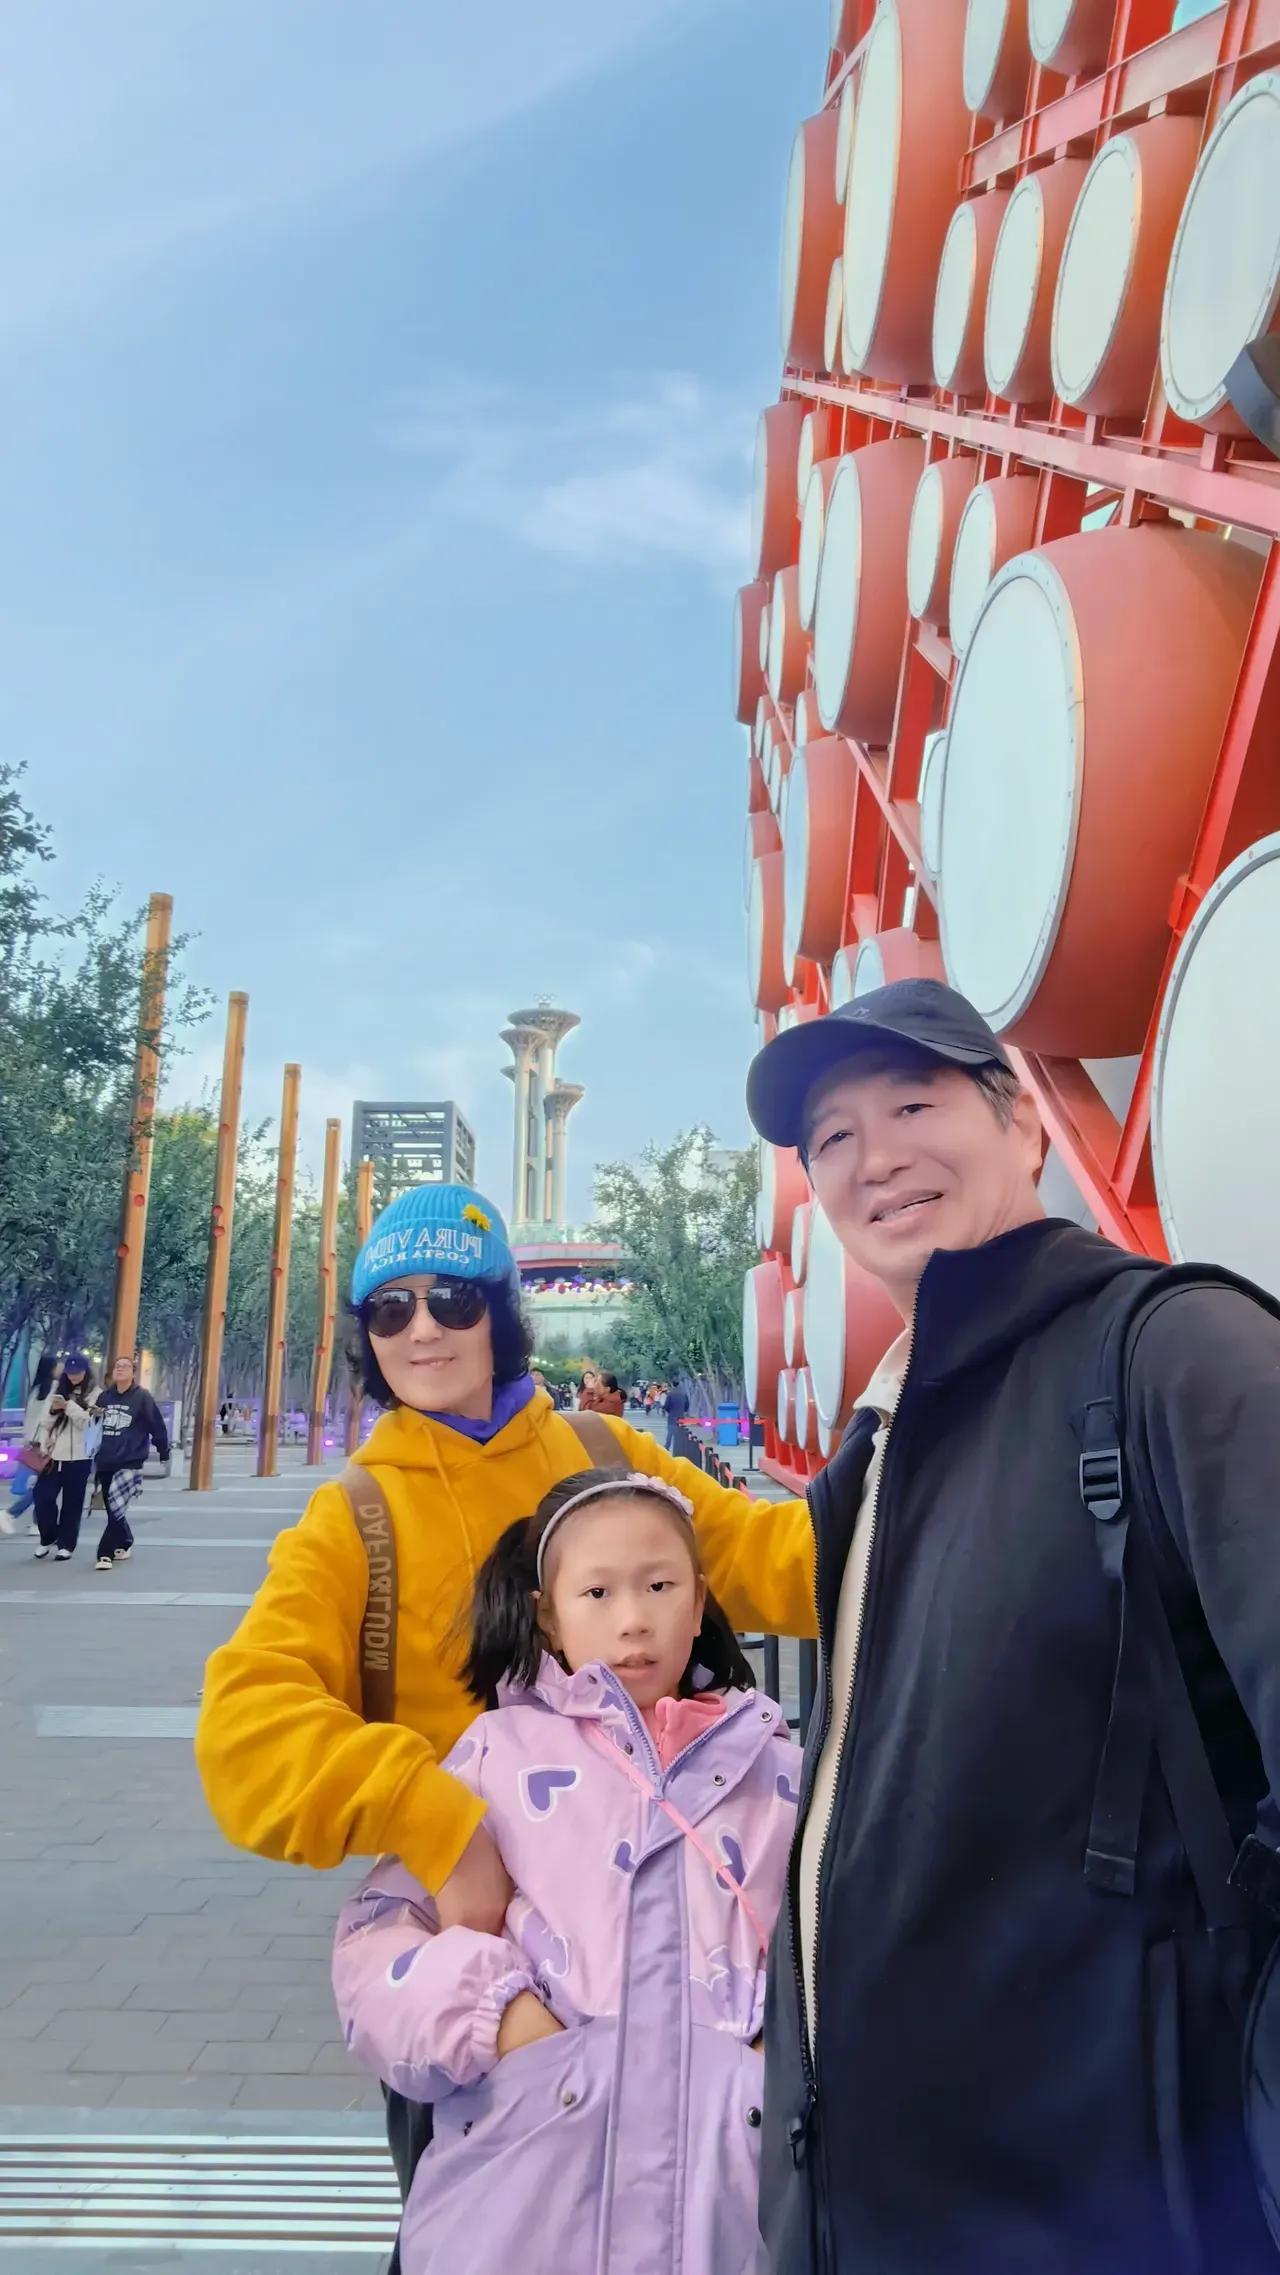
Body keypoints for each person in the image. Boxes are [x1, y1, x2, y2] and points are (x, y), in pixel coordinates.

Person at [744, 977, 1280, 2275]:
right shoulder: (878, 1446)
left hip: (1116, 2207)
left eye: (912, 1104)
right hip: (873, 2204)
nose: (874, 1158)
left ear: (1025, 1124)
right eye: (831, 1137)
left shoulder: (1172, 1351)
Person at [195, 1182, 814, 2245]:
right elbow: (245, 1729)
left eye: (452, 1298)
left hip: (683, 1971)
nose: (422, 1328)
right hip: (490, 1993)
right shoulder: (356, 1516)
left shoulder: (601, 1455)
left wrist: (939, 1500)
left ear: (500, 1311)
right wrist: (438, 1821)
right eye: (390, 1308)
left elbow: (772, 1559)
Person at [333, 1463, 798, 2275]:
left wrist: (775, 2052)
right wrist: (497, 2016)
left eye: (660, 1586)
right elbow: (376, 1943)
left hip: (731, 2213)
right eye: (598, 1592)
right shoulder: (493, 1757)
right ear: (547, 1615)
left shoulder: (778, 1769)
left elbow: (848, 1937)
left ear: (699, 1602)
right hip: (523, 2211)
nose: (634, 1619)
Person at [92, 1355, 170, 1572]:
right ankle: (125, 1540)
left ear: (133, 1373)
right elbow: (94, 1427)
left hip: (130, 1460)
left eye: (125, 1367)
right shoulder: (104, 1397)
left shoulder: (142, 1397)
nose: (120, 1369)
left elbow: (156, 1425)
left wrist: (163, 1450)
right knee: (112, 1507)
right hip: (106, 1459)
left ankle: (104, 1553)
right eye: (117, 1366)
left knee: (116, 1505)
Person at [32, 1356, 97, 1562]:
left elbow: (89, 1423)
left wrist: (69, 1406)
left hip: (79, 1458)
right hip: (52, 1457)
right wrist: (54, 1411)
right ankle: (48, 1537)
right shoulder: (56, 1390)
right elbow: (44, 1422)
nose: (74, 1377)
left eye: (78, 1373)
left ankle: (66, 1545)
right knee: (42, 1498)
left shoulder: (95, 1394)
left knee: (72, 1504)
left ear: (86, 1371)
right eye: (70, 1373)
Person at [0, 1351, 57, 1537]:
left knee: (42, 1486)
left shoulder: (36, 1390)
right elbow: (46, 1418)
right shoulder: (54, 1388)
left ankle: (35, 1523)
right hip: (46, 1444)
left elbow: (29, 1418)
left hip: (34, 1443)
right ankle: (11, 1513)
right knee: (44, 1486)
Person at [662, 1380, 689, 1451]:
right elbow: (687, 1405)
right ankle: (680, 1447)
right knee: (680, 1432)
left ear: (672, 1384)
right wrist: (683, 1411)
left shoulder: (670, 1394)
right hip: (681, 1416)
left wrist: (669, 1411)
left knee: (670, 1433)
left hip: (672, 1416)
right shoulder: (684, 1393)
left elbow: (666, 1406)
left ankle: (667, 1446)